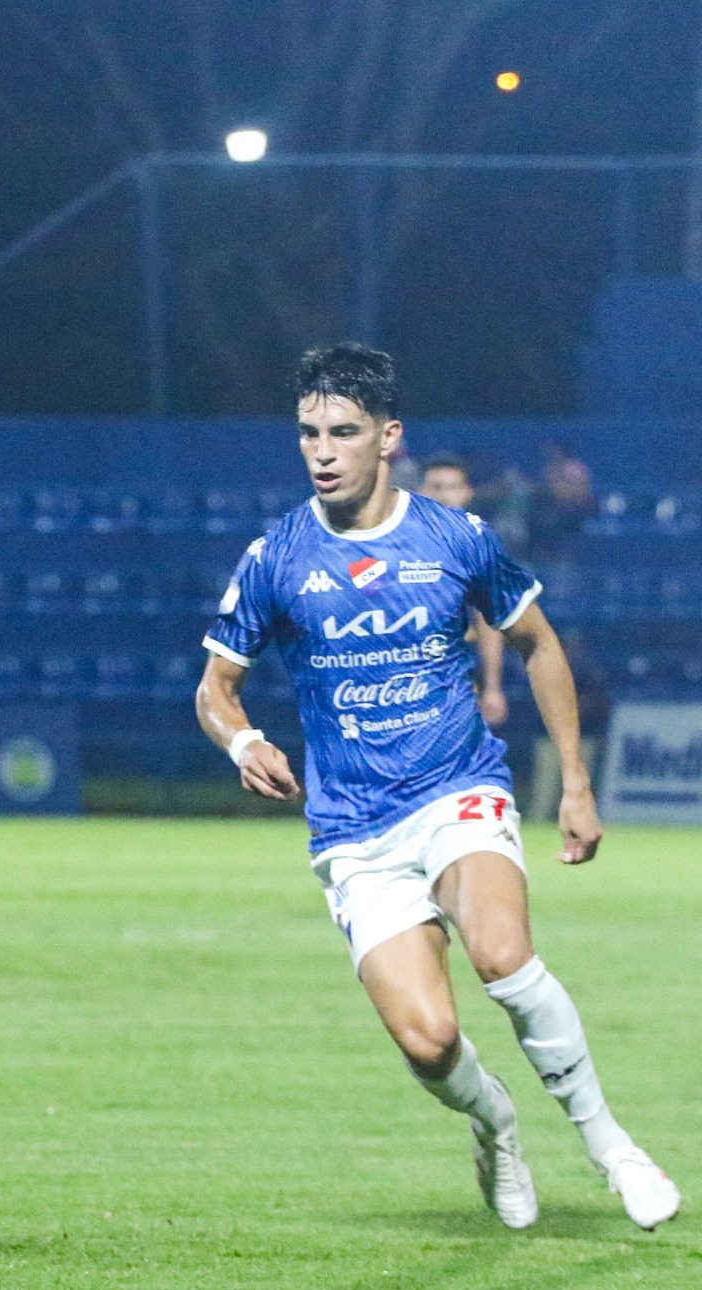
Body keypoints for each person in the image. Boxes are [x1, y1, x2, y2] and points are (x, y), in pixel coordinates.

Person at [196, 343, 677, 1234]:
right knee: (429, 1041)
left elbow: (539, 644)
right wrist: (245, 741)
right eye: (309, 434)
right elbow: (214, 689)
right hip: (353, 830)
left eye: (343, 432)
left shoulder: (454, 537)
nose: (323, 450)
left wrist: (575, 782)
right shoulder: (277, 556)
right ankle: (495, 1124)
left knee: (501, 954)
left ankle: (613, 1147)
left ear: (389, 439)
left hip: (457, 789)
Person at [419, 455, 508, 727]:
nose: (444, 495)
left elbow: (487, 621)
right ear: (420, 492)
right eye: (435, 487)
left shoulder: (480, 549)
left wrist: (493, 687)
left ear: (467, 493)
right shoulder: (395, 545)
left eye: (452, 487)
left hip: (457, 678)